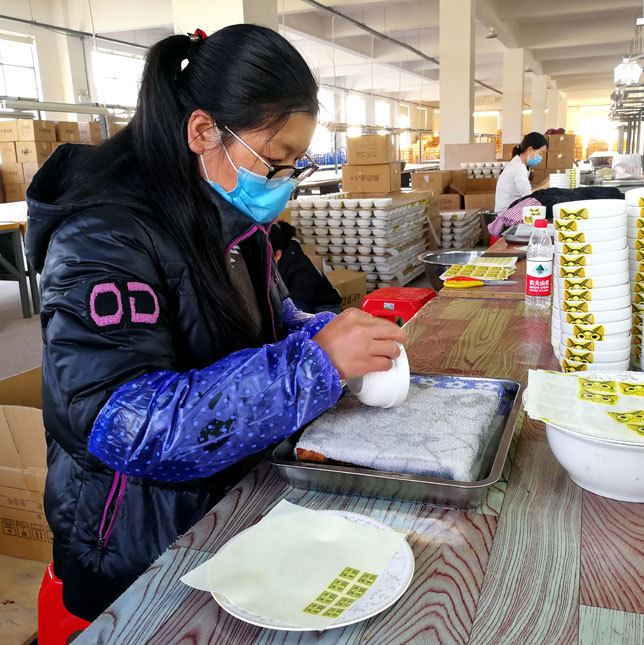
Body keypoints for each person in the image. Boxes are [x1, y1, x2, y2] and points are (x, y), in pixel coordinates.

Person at [24, 25, 406, 622]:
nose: (282, 183)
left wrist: (323, 331)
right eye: (275, 162)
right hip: (139, 551)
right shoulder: (103, 240)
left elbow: (273, 318)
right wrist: (314, 365)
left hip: (227, 508)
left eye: (295, 167)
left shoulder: (230, 217)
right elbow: (127, 425)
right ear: (203, 131)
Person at [269, 221, 342, 314]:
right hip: (295, 304)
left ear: (277, 254)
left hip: (323, 308)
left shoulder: (300, 268)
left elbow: (298, 308)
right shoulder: (277, 260)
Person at [494, 132, 549, 213]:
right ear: (530, 150)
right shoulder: (518, 167)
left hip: (513, 208)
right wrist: (545, 185)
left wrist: (545, 183)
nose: (541, 157)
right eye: (540, 153)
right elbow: (527, 194)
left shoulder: (522, 165)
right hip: (506, 213)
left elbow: (527, 189)